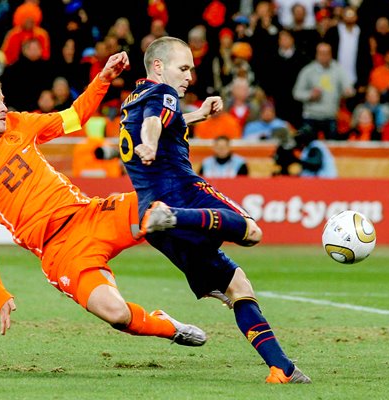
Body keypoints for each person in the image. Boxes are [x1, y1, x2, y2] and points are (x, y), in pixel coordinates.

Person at [0, 52, 206, 349]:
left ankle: (218, 276)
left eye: (2, 100)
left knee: (165, 205)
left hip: (91, 215)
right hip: (61, 252)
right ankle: (166, 325)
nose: (4, 108)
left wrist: (103, 78)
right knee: (116, 313)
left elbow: (74, 118)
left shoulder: (20, 125)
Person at [119, 36, 311, 384]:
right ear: (159, 67)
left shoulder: (134, 99)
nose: (189, 75)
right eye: (183, 67)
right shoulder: (163, 94)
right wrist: (150, 142)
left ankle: (280, 368)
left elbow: (159, 118)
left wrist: (198, 115)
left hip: (152, 221)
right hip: (179, 195)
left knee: (237, 285)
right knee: (252, 231)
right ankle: (173, 217)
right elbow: (155, 124)